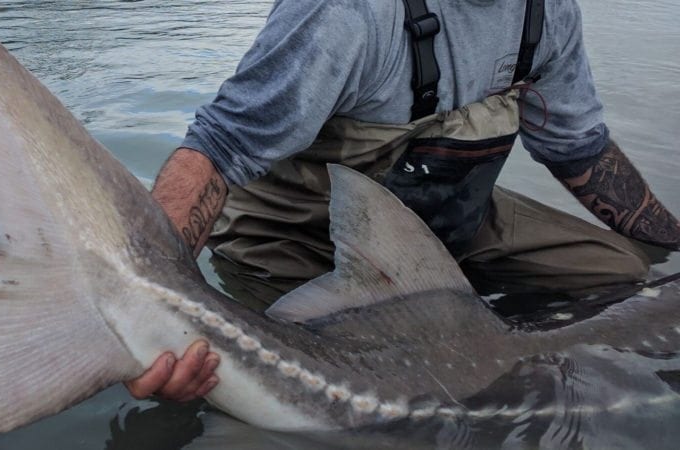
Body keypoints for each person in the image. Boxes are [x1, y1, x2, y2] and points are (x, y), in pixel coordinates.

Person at [124, 0, 680, 403]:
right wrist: (149, 300)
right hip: (294, 229)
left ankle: (478, 342)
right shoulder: (347, 12)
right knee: (352, 392)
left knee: (622, 271)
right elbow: (219, 149)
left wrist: (676, 241)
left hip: (453, 211)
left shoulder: (548, 11)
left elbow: (579, 150)